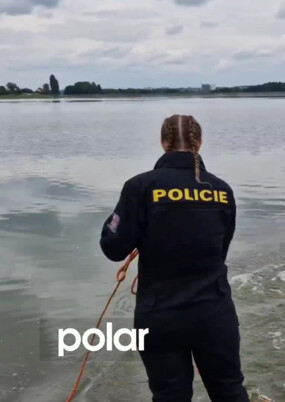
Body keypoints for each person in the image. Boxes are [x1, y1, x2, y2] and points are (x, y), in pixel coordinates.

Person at [99, 115, 250, 402]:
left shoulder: (140, 187)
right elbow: (221, 249)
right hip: (214, 311)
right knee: (229, 390)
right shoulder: (221, 190)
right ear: (199, 143)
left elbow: (113, 248)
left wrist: (121, 218)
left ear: (163, 143)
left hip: (159, 315)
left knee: (169, 396)